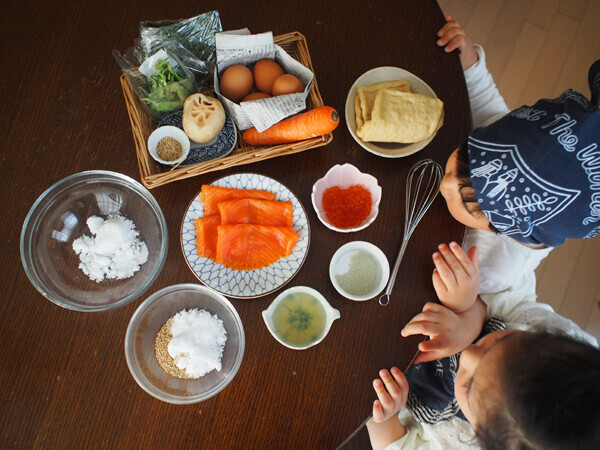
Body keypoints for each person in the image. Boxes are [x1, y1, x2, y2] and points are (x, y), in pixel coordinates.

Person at [413, 15, 600, 361]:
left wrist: (463, 302)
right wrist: (469, 62)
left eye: (464, 200)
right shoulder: (505, 141)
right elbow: (487, 106)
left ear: (504, 229)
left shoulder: (502, 263)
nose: (447, 182)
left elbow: (489, 307)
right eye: (463, 157)